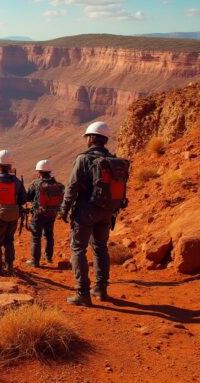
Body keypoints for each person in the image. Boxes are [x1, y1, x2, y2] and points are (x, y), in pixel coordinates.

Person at [60, 121, 130, 306]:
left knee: (78, 249)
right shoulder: (114, 160)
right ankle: (101, 288)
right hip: (107, 211)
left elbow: (72, 187)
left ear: (91, 138)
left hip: (85, 211)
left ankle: (82, 292)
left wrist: (64, 208)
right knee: (100, 248)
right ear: (105, 139)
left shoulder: (83, 159)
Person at [0, 150, 27, 276]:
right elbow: (23, 199)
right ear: (10, 166)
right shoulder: (17, 181)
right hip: (13, 216)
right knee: (9, 240)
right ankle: (9, 266)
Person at [25, 160, 64, 268]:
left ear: (40, 172)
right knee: (49, 234)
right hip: (53, 213)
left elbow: (27, 197)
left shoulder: (36, 183)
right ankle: (49, 257)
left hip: (39, 214)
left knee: (36, 236)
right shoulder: (58, 184)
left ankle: (35, 261)